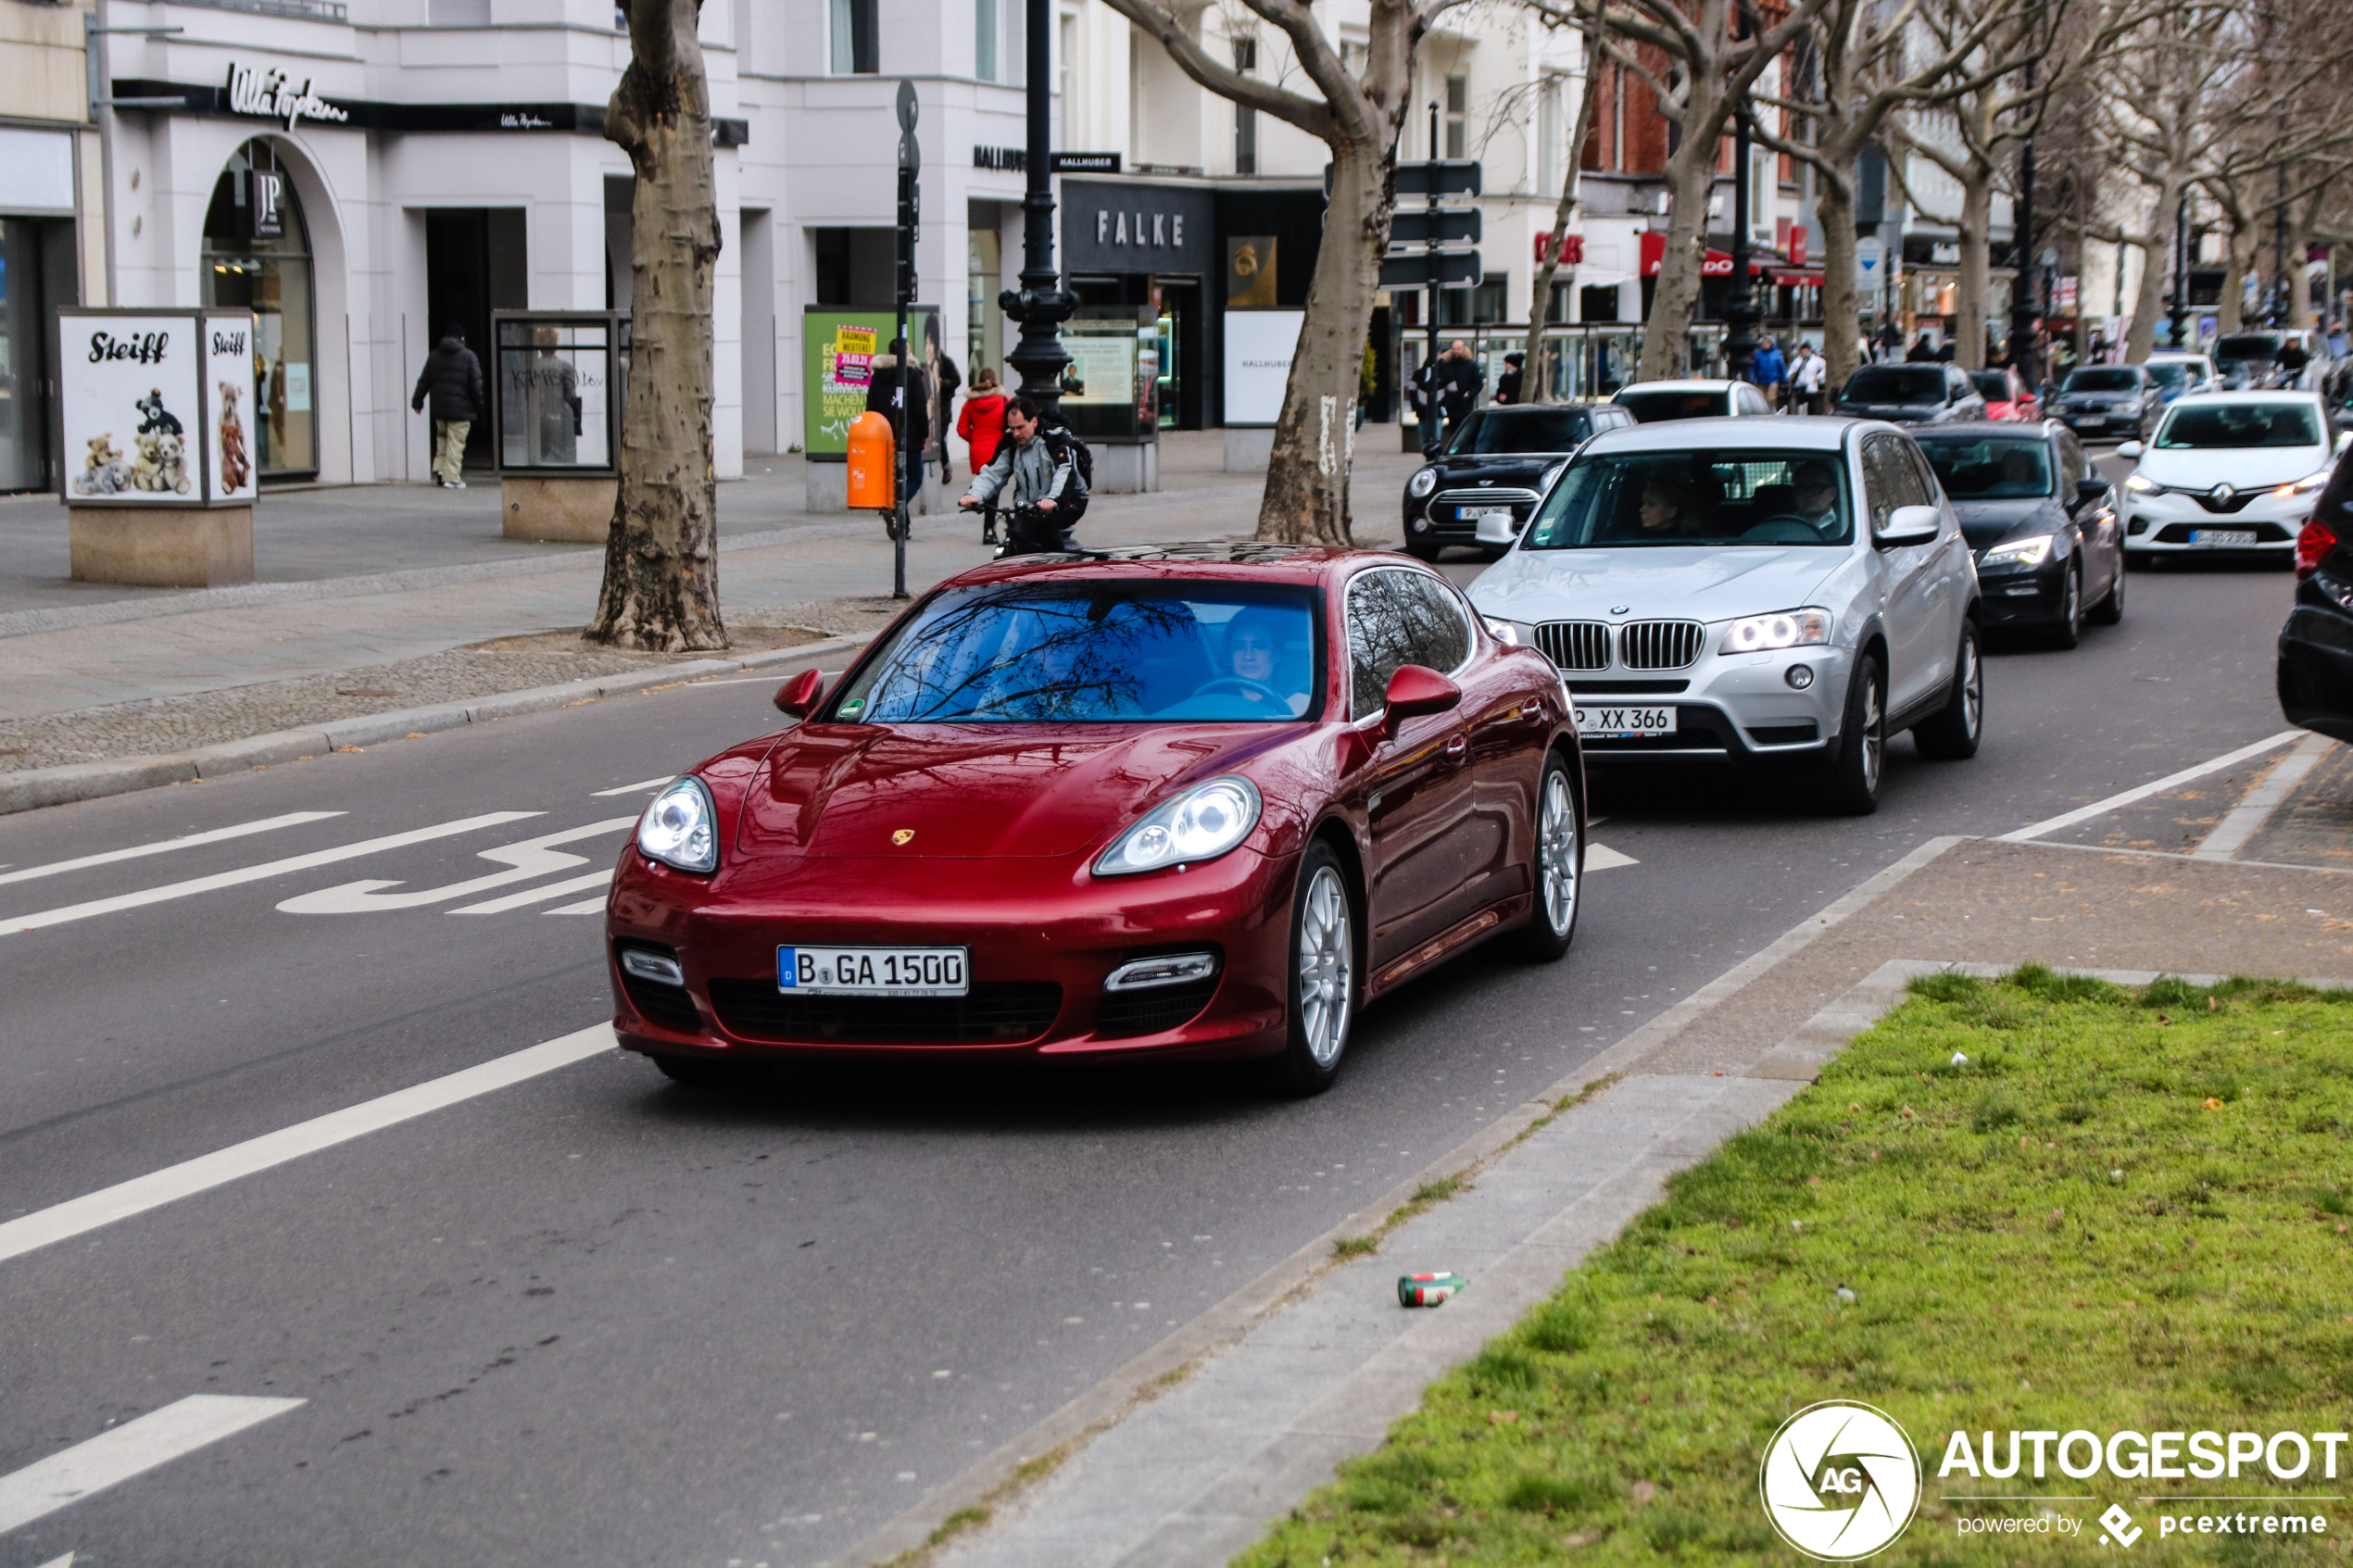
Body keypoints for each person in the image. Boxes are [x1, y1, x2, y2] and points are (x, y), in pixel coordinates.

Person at [958, 395, 1088, 553]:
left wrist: (1053, 500)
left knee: (1045, 525)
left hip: (1069, 501)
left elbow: (1064, 471)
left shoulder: (1055, 438)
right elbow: (993, 473)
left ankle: (1057, 570)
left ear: (1033, 422)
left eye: (1020, 427)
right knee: (1018, 537)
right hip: (1032, 505)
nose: (1016, 433)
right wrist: (974, 495)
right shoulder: (1010, 443)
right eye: (1012, 428)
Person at [410, 324, 485, 488]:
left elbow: (424, 380)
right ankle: (451, 479)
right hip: (461, 409)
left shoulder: (434, 356)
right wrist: (478, 403)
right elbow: (476, 384)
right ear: (462, 338)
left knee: (442, 439)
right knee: (455, 444)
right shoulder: (468, 356)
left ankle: (440, 470)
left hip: (440, 408)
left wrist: (418, 401)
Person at [865, 336, 931, 509]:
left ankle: (902, 524)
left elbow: (870, 407)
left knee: (894, 480)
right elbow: (919, 408)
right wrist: (924, 432)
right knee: (915, 478)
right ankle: (895, 507)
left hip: (885, 438)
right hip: (910, 437)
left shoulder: (878, 376)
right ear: (905, 352)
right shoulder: (912, 374)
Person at [1219, 607, 1310, 715]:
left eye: (1260, 646)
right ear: (1230, 657)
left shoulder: (1296, 703)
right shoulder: (1213, 702)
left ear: (1276, 655)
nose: (1248, 656)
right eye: (1238, 647)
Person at [955, 368, 1010, 544]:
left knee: (986, 485)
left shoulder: (969, 404)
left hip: (979, 450)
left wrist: (977, 439)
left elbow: (961, 429)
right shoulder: (1004, 401)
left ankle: (987, 522)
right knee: (994, 490)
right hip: (998, 449)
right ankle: (989, 529)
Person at [1791, 459, 1840, 533]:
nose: (1809, 494)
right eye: (1802, 488)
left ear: (1832, 493)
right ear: (1795, 494)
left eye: (1817, 487)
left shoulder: (1849, 525)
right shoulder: (1783, 527)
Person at [1751, 334, 1788, 410]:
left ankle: (1772, 411)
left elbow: (1781, 367)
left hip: (1773, 379)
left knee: (1771, 398)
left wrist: (1784, 379)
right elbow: (1754, 367)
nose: (1765, 344)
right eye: (1764, 343)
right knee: (1762, 398)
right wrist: (1752, 377)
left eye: (1767, 342)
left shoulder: (1777, 353)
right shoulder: (1758, 354)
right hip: (1761, 380)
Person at [1790, 343, 1828, 414]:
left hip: (1811, 385)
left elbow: (1825, 368)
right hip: (1800, 385)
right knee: (1800, 405)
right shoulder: (1797, 360)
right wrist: (1792, 375)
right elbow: (1791, 371)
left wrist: (1818, 377)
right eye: (1803, 350)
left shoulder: (1816, 360)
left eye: (1806, 349)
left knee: (1811, 405)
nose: (1804, 351)